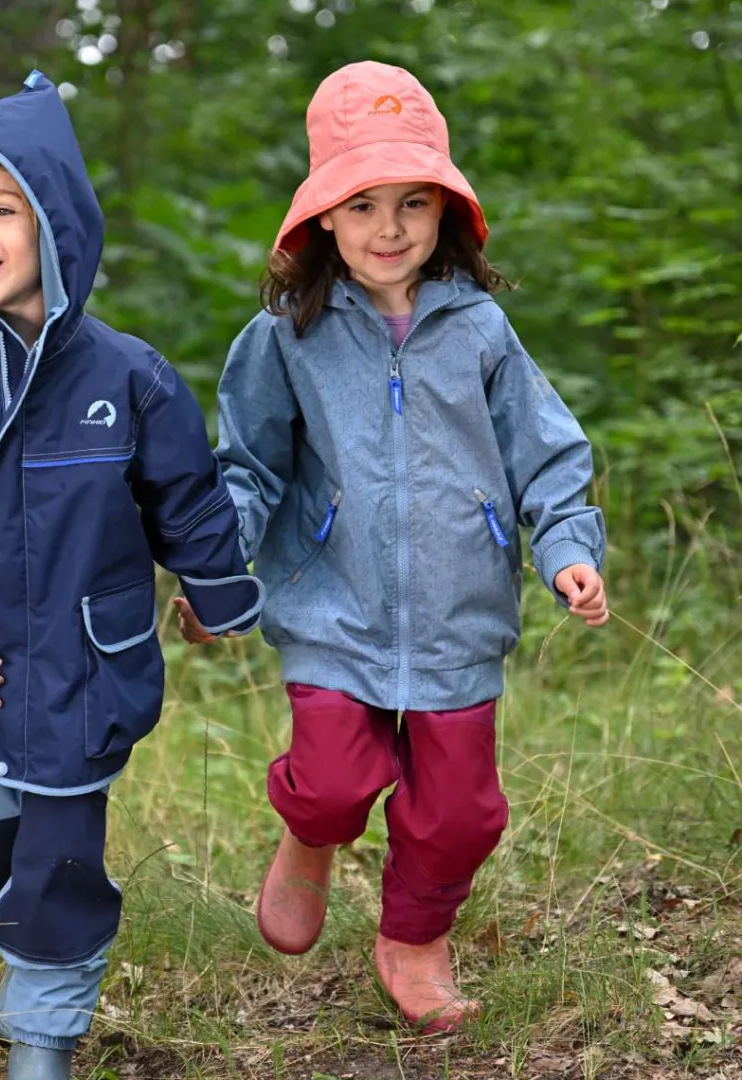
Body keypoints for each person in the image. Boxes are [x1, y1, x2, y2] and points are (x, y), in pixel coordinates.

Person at [0, 71, 263, 1080]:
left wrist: (218, 595)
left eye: (2, 207)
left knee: (61, 865)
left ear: (57, 223)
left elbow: (188, 503)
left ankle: (43, 1039)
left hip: (81, 672)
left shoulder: (129, 376)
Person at [174, 61, 608, 1033]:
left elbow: (549, 454)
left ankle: (413, 939)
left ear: (446, 211)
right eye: (362, 203)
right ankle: (310, 836)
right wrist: (217, 569)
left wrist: (567, 545)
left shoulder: (482, 332)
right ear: (321, 217)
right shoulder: (286, 337)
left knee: (462, 814)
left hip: (460, 615)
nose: (390, 228)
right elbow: (245, 468)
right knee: (334, 781)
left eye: (414, 201)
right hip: (334, 605)